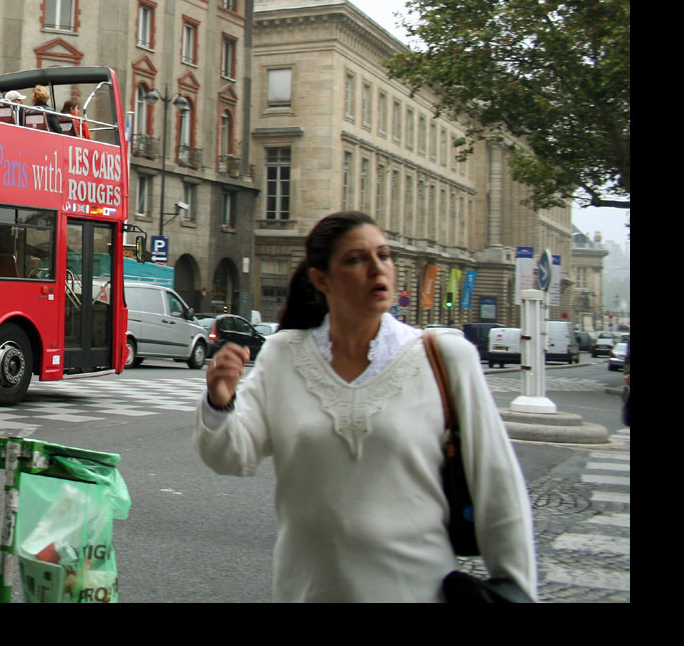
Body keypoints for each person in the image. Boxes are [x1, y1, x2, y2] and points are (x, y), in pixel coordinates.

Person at [195, 210, 536, 602]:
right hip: (309, 590)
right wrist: (219, 401)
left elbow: (498, 488)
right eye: (357, 259)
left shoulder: (445, 357)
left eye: (384, 255)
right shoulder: (282, 355)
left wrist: (516, 590)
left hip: (417, 591)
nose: (378, 269)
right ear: (321, 279)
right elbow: (231, 457)